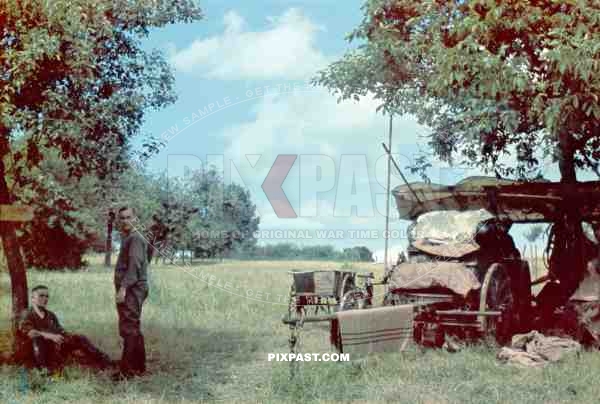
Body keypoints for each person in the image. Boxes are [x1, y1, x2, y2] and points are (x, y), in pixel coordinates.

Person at [16, 285, 113, 374]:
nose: (45, 299)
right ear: (32, 298)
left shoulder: (50, 315)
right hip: (34, 351)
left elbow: (60, 330)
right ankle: (45, 370)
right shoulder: (27, 314)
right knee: (38, 340)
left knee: (79, 338)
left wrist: (68, 337)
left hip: (52, 347)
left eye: (47, 296)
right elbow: (30, 333)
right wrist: (50, 336)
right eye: (41, 296)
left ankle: (105, 362)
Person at [113, 206, 149, 380]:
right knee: (133, 326)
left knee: (128, 328)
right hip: (132, 287)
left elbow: (134, 265)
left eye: (128, 217)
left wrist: (123, 288)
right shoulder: (128, 237)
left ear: (135, 218)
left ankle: (126, 371)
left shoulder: (135, 238)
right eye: (122, 218)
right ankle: (139, 366)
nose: (125, 221)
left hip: (132, 288)